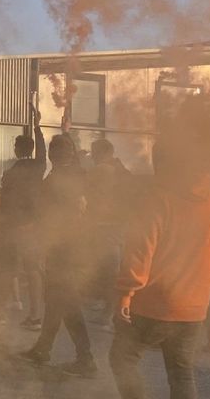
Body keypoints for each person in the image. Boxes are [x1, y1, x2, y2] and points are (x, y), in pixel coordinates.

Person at [108, 136, 210, 399]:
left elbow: (140, 250)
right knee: (181, 371)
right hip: (194, 305)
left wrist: (126, 293)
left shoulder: (157, 199)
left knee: (122, 359)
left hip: (154, 301)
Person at [20, 134, 95, 377]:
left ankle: (86, 359)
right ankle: (43, 349)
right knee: (56, 301)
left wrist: (44, 245)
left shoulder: (59, 179)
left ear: (54, 154)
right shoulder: (78, 175)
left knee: (67, 303)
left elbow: (50, 218)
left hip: (63, 249)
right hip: (74, 248)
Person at [0, 111, 47, 330]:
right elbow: (43, 151)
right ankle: (35, 315)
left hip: (12, 227)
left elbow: (4, 200)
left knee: (7, 268)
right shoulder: (38, 168)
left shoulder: (11, 173)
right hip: (33, 227)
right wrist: (37, 127)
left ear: (17, 150)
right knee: (33, 270)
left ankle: (2, 311)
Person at [87, 138, 132, 329]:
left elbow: (87, 190)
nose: (93, 157)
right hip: (120, 224)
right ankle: (108, 308)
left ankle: (110, 314)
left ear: (102, 152)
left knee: (108, 270)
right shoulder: (122, 170)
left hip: (105, 225)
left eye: (94, 152)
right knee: (113, 268)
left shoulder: (102, 170)